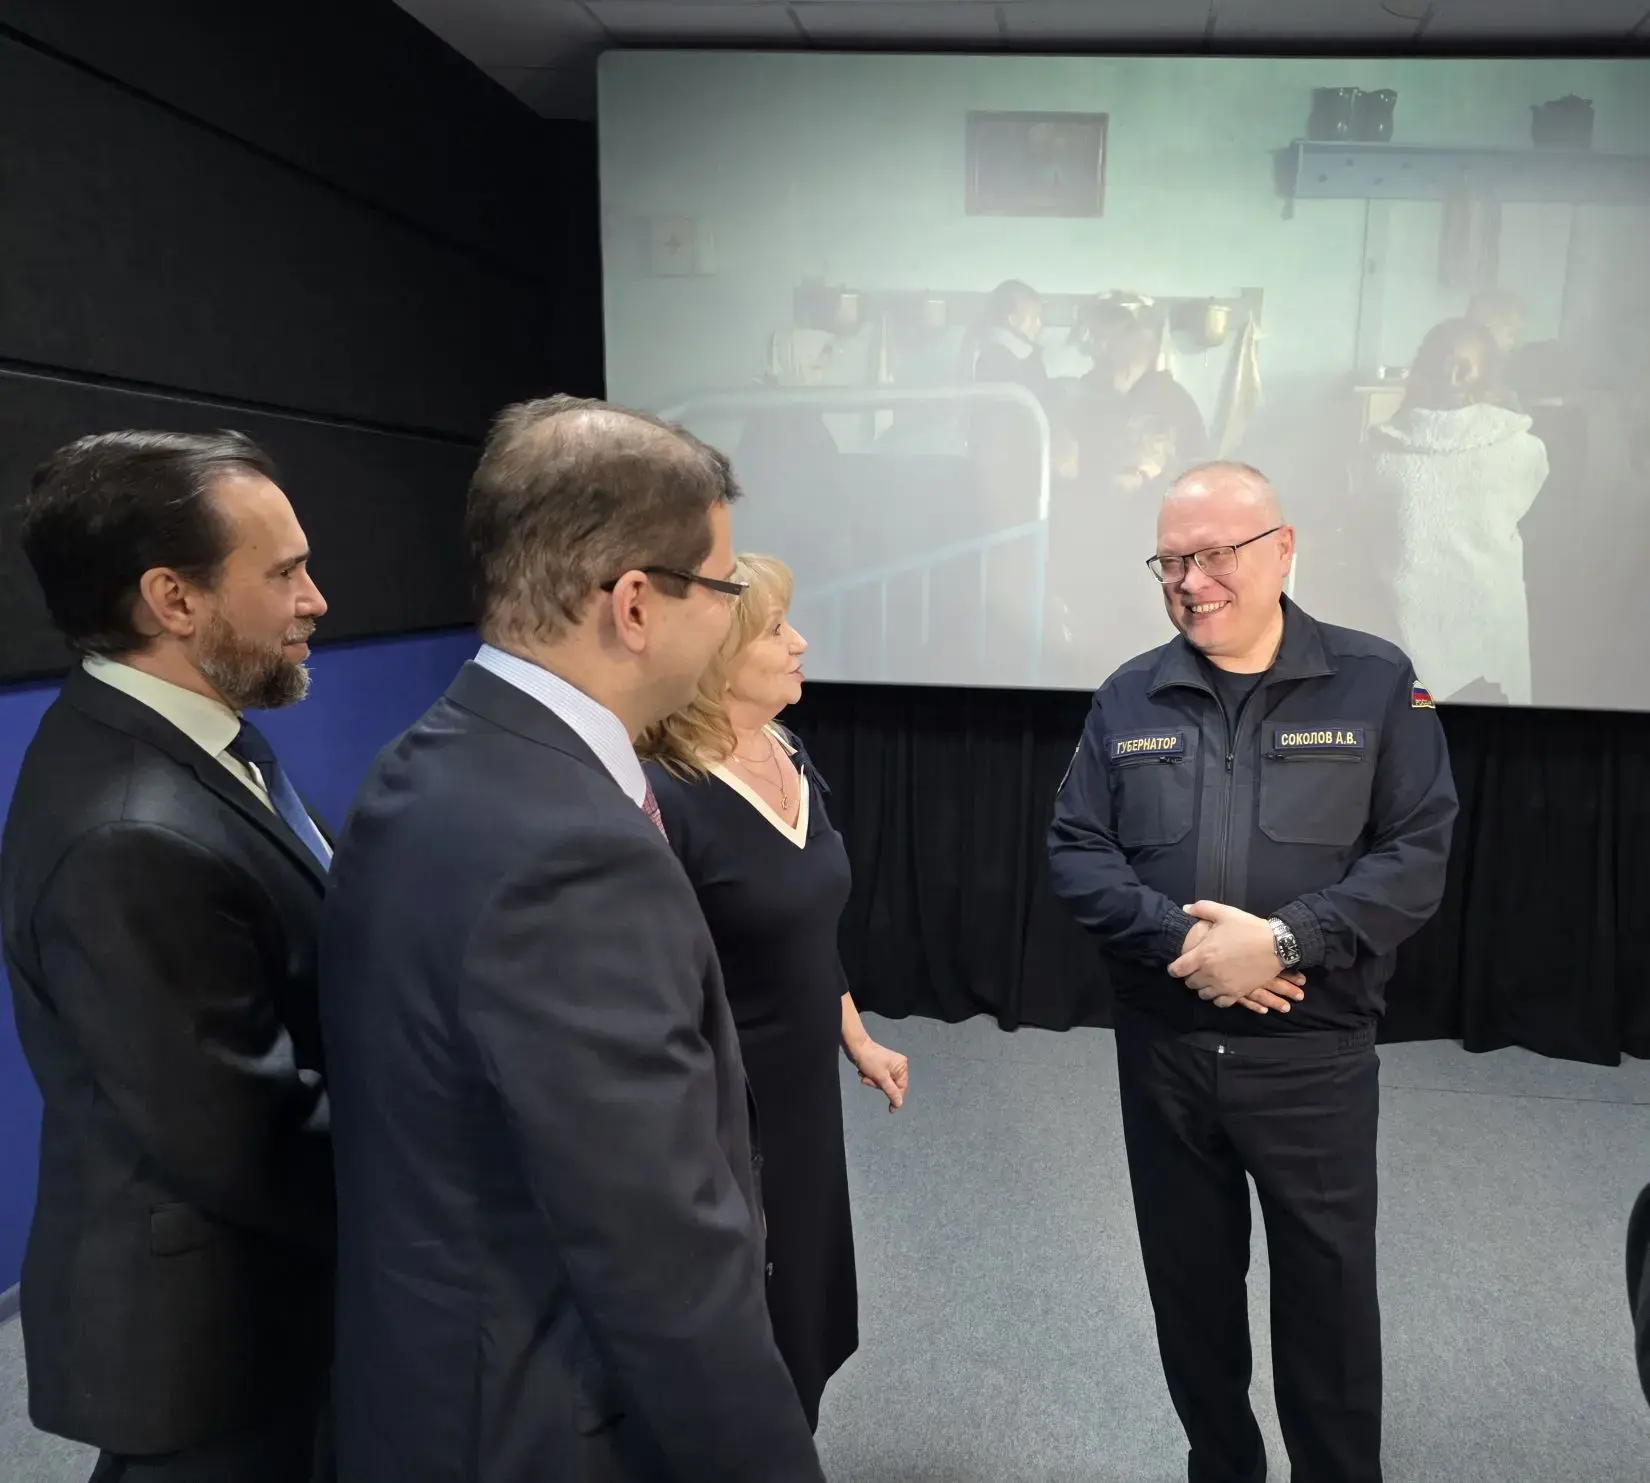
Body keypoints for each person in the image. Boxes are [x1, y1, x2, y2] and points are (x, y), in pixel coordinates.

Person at [317, 396, 826, 1483]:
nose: (732, 618)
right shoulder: (573, 853)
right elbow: (661, 1255)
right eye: (722, 588)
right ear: (634, 603)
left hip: (430, 1376)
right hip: (542, 1418)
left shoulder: (433, 759)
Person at [1048, 461, 1457, 1483]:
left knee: (1328, 1304)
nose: (1191, 581)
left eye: (1215, 554)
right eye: (1170, 561)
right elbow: (1077, 852)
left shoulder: (1375, 682)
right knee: (1190, 1296)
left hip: (1311, 1055)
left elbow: (1414, 856)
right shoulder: (1129, 694)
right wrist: (1188, 945)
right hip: (1168, 1051)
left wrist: (1281, 942)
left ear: (1282, 549)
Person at [0, 430, 336, 1482]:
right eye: (284, 573)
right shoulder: (128, 832)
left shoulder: (193, 733)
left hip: (259, 1300)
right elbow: (242, 1137)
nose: (316, 600)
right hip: (214, 1342)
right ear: (173, 600)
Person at [638, 553, 910, 1432]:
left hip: (804, 1098)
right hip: (725, 1109)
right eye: (774, 630)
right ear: (718, 658)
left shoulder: (788, 749)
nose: (801, 643)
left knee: (802, 1306)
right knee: (740, 1324)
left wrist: (855, 1035)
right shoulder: (664, 796)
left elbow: (806, 928)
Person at [1353, 317, 1549, 705]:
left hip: (1405, 629)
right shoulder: (1523, 448)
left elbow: (1366, 518)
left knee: (1415, 734)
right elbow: (1526, 500)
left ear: (1421, 371)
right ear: (1489, 376)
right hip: (1492, 623)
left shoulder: (1375, 452)